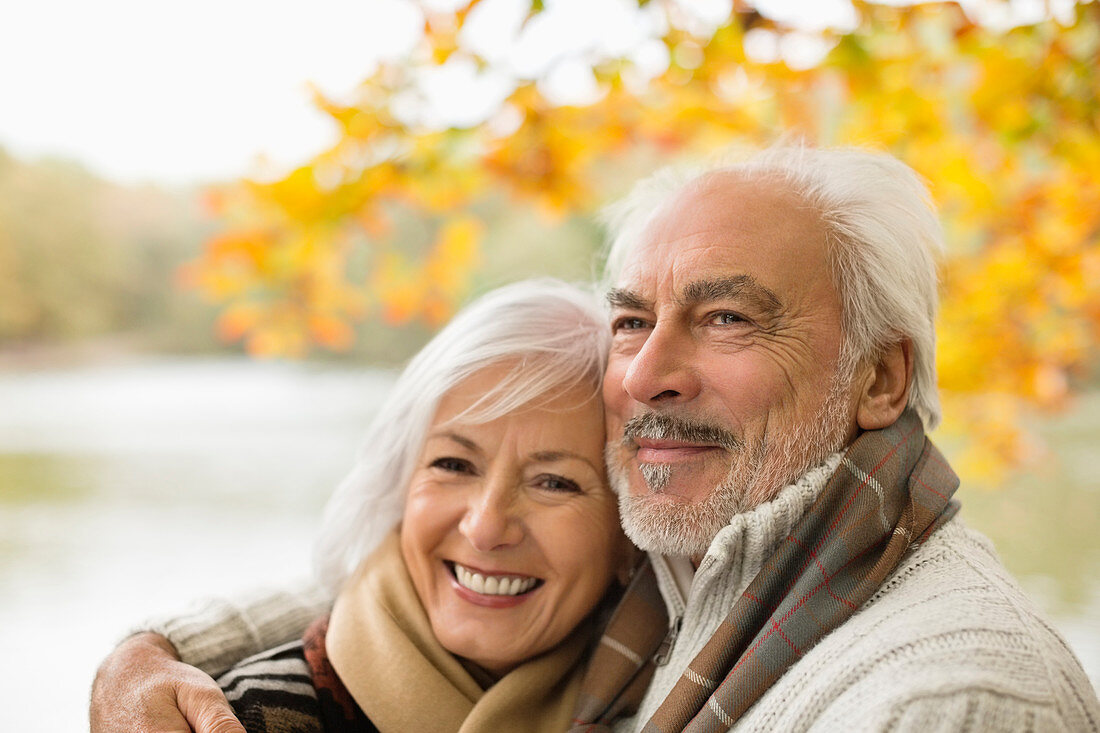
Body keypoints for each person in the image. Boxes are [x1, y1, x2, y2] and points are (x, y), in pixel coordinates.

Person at [91, 144, 1099, 732]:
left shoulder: (949, 699)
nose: (646, 372)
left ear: (878, 377)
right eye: (630, 318)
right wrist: (153, 651)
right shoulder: (700, 561)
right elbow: (444, 563)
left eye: (726, 318)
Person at [93, 279, 634, 733]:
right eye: (453, 465)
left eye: (555, 483)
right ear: (398, 486)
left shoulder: (663, 695)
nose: (486, 526)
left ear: (629, 532)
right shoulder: (251, 716)